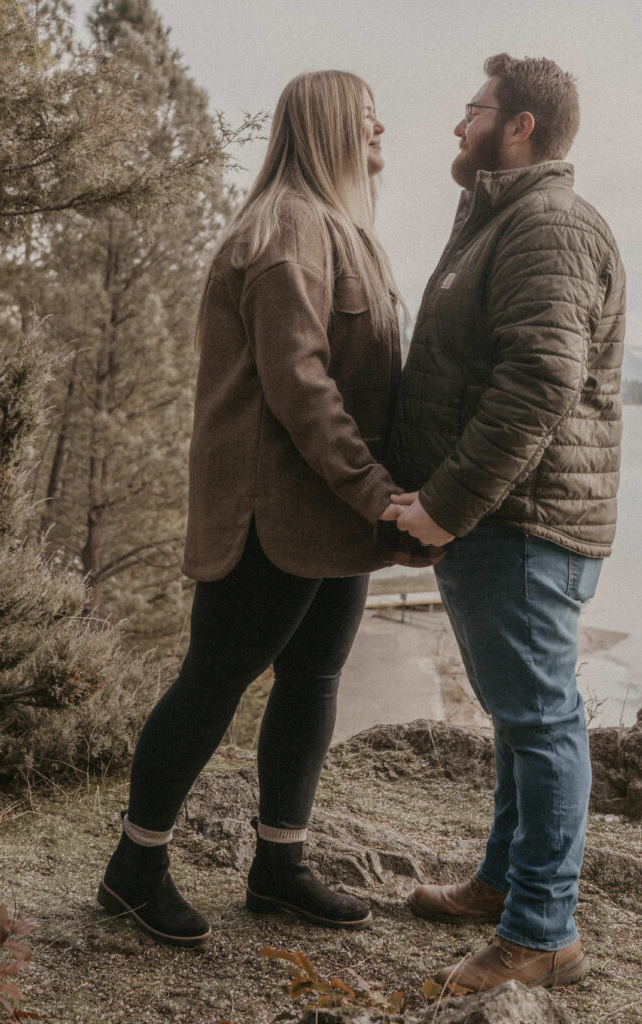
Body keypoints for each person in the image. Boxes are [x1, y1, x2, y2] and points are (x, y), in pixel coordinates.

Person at [98, 70, 416, 946]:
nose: (381, 129)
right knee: (211, 684)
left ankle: (279, 866)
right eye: (364, 118)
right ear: (322, 129)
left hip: (329, 520)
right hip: (268, 516)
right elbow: (300, 387)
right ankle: (133, 870)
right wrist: (379, 495)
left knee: (312, 683)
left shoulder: (346, 232)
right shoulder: (285, 233)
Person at [386, 53, 625, 991]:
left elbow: (537, 383)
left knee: (540, 719)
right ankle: (502, 883)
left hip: (521, 524)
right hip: (504, 519)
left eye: (473, 110)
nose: (458, 126)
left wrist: (443, 506)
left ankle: (539, 935)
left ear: (518, 126)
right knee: (514, 716)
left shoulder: (548, 225)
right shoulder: (505, 218)